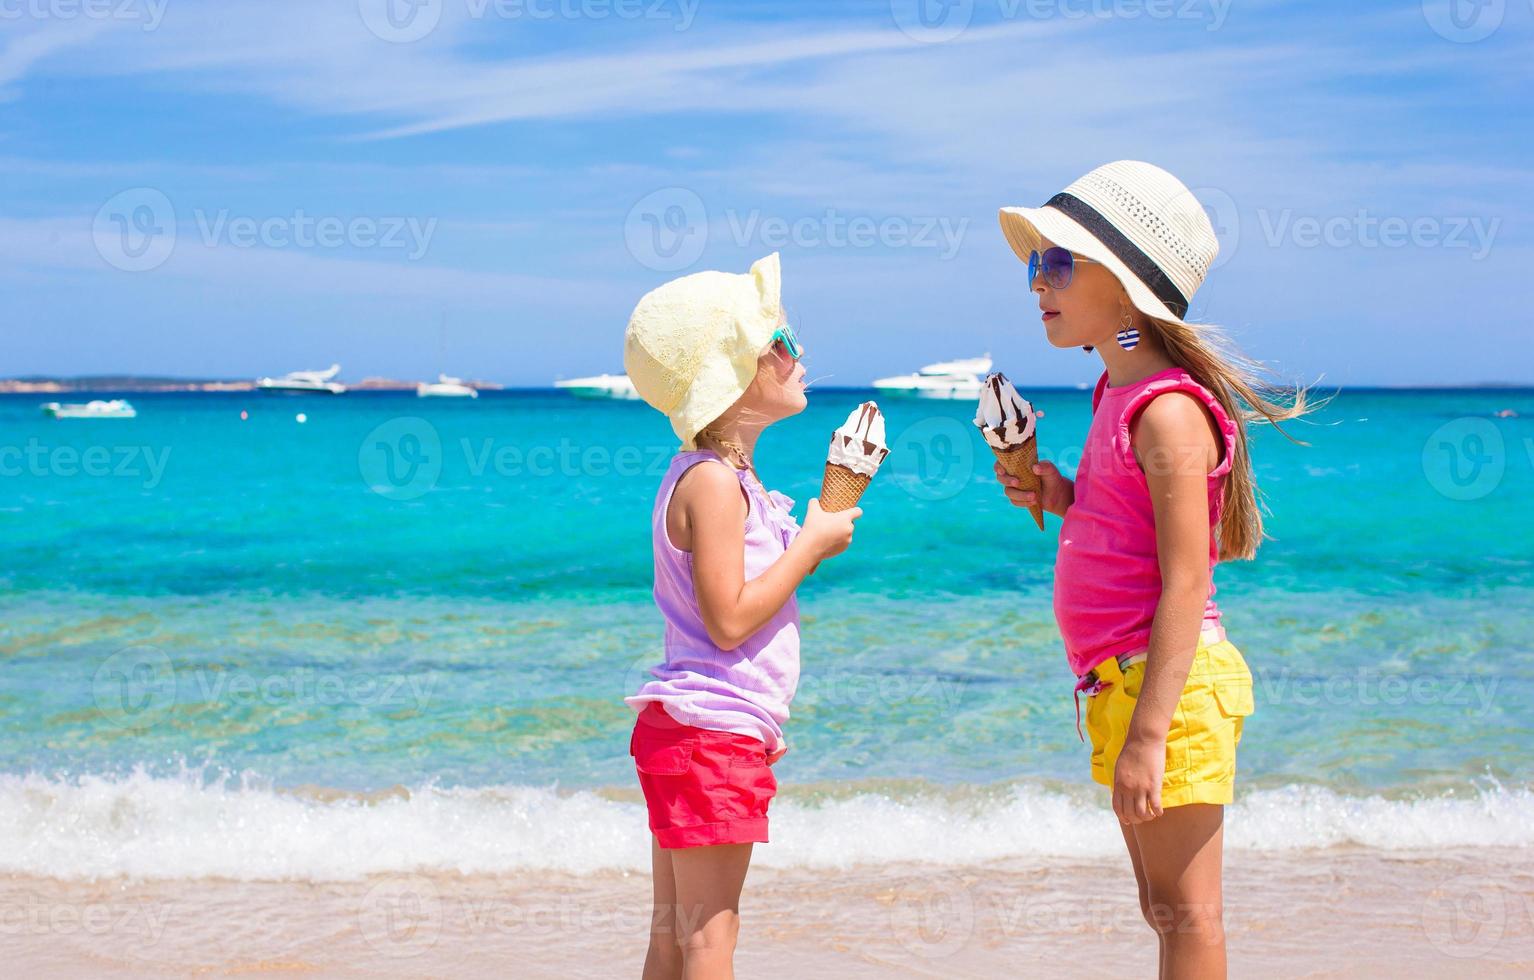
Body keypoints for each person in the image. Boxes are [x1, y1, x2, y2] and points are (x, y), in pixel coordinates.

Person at [994, 162, 1310, 977]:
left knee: (1188, 917)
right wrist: (1060, 492)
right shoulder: (1117, 390)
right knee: (1162, 910)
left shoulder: (1168, 412)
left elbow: (1187, 581)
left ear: (1128, 286)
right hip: (1119, 683)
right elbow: (1122, 523)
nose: (1038, 283)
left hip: (1166, 691)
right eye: (1036, 265)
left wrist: (1148, 733)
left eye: (1057, 264)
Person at [621, 253, 861, 979]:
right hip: (709, 736)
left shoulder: (725, 480)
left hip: (699, 728)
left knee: (674, 938)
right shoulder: (715, 485)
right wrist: (811, 547)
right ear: (732, 375)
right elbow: (729, 621)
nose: (796, 353)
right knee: (709, 944)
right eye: (777, 343)